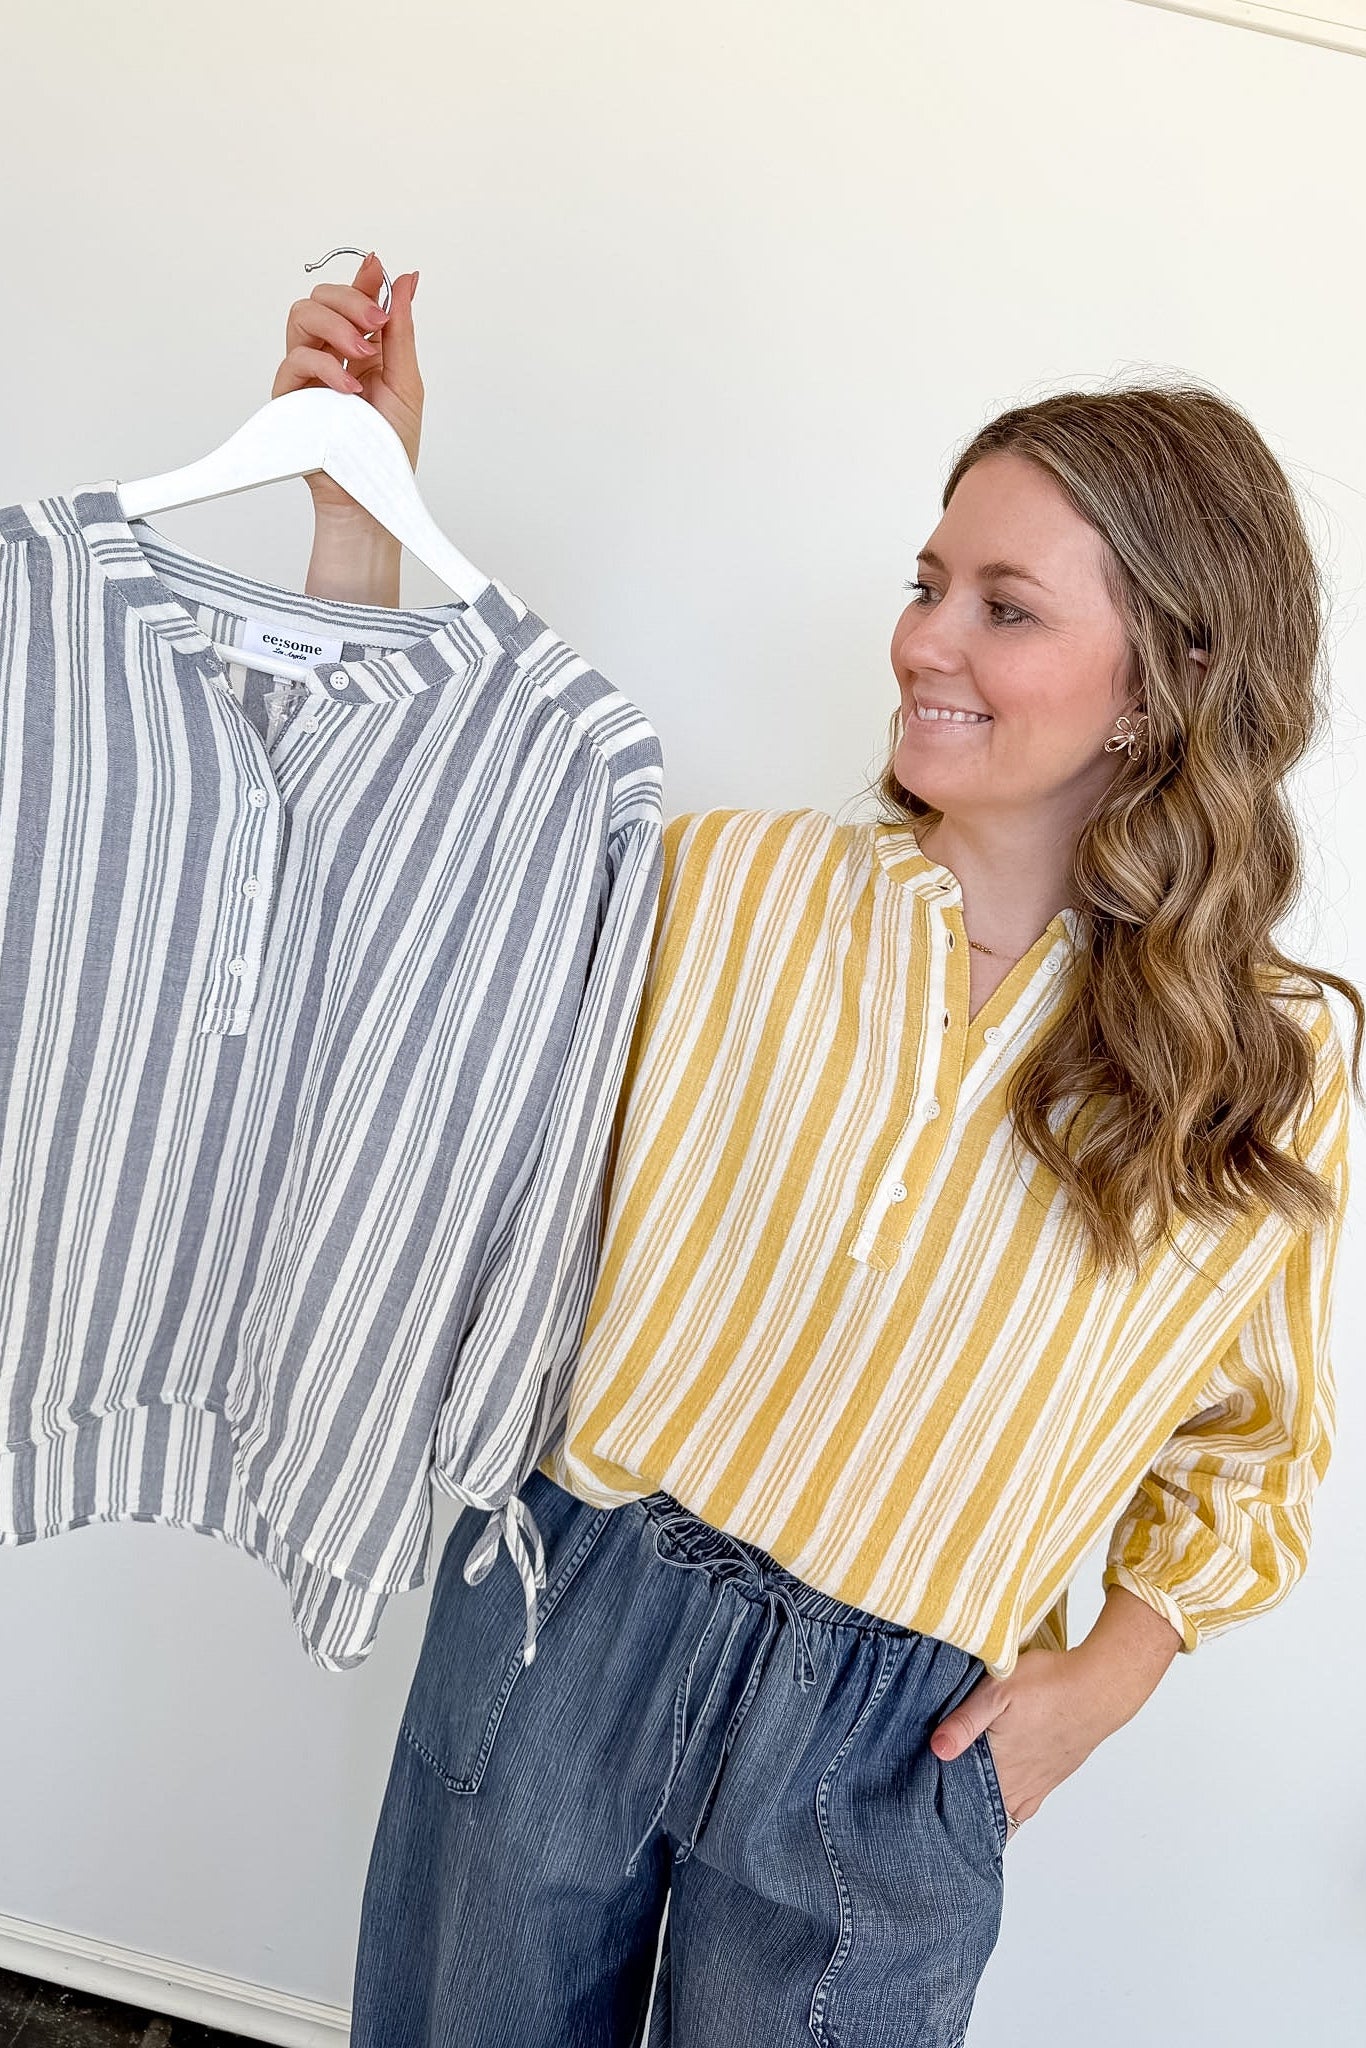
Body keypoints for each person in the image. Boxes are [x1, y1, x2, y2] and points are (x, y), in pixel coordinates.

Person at [275, 255, 1361, 2046]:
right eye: (927, 583)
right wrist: (361, 512)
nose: (923, 638)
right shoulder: (728, 887)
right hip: (575, 1608)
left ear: (1162, 682)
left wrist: (1105, 1676)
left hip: (891, 1739)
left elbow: (1251, 1447)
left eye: (1004, 606)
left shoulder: (1266, 1061)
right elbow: (395, 921)